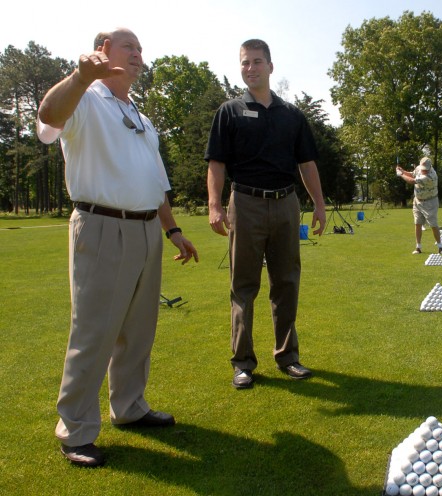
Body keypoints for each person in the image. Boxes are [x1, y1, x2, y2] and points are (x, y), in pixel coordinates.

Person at [36, 27, 199, 468]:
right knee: (94, 332)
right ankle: (75, 429)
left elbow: (156, 184)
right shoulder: (85, 99)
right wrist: (78, 76)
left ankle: (129, 407)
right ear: (103, 50)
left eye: (141, 49)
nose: (139, 55)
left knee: (138, 330)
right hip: (102, 225)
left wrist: (173, 231)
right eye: (130, 46)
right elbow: (48, 120)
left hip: (148, 230)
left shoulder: (143, 120)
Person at [205, 39, 326, 390]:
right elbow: (216, 163)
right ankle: (243, 363)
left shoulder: (292, 115)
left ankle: (288, 357)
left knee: (286, 282)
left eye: (257, 62)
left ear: (270, 67)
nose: (250, 68)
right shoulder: (229, 111)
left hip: (287, 204)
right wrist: (214, 205)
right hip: (245, 203)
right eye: (244, 63)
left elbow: (307, 163)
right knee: (243, 285)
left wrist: (317, 203)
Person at [396, 157, 442, 255]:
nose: (424, 170)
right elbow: (412, 174)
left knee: (433, 224)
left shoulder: (431, 176)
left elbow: (412, 181)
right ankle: (418, 247)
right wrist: (403, 171)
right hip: (417, 201)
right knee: (417, 223)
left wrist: (401, 174)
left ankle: (440, 247)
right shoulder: (419, 168)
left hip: (430, 202)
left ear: (430, 167)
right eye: (423, 168)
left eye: (425, 169)